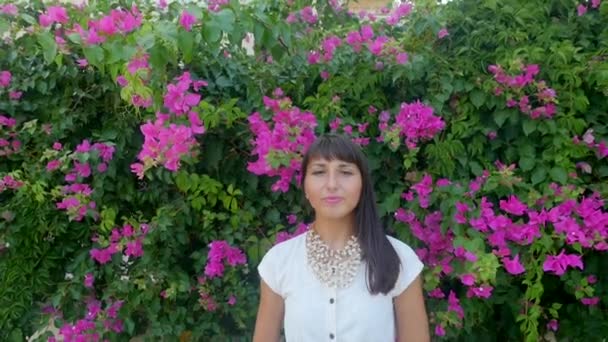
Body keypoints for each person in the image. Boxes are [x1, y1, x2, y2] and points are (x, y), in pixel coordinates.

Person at [253, 133, 430, 342]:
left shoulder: (399, 258)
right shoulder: (279, 262)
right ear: (305, 188)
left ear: (362, 185)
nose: (332, 184)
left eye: (345, 172)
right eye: (319, 172)